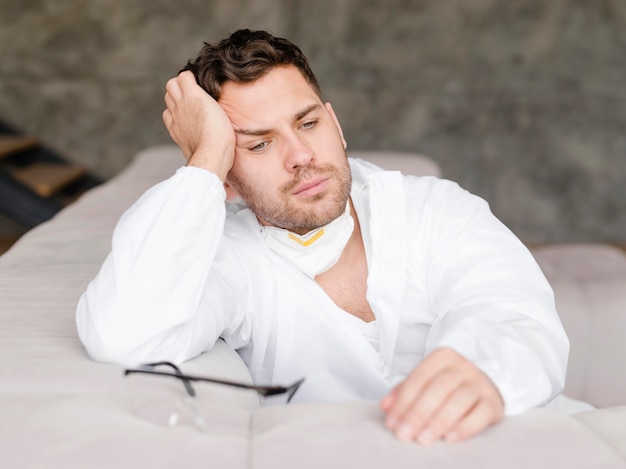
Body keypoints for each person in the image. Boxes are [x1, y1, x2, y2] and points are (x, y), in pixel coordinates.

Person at [76, 29, 569, 445]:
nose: (300, 155)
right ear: (226, 174)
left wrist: (484, 370)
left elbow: (514, 312)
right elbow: (123, 334)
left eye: (308, 123)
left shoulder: (434, 208)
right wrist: (204, 158)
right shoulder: (230, 259)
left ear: (334, 122)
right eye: (260, 143)